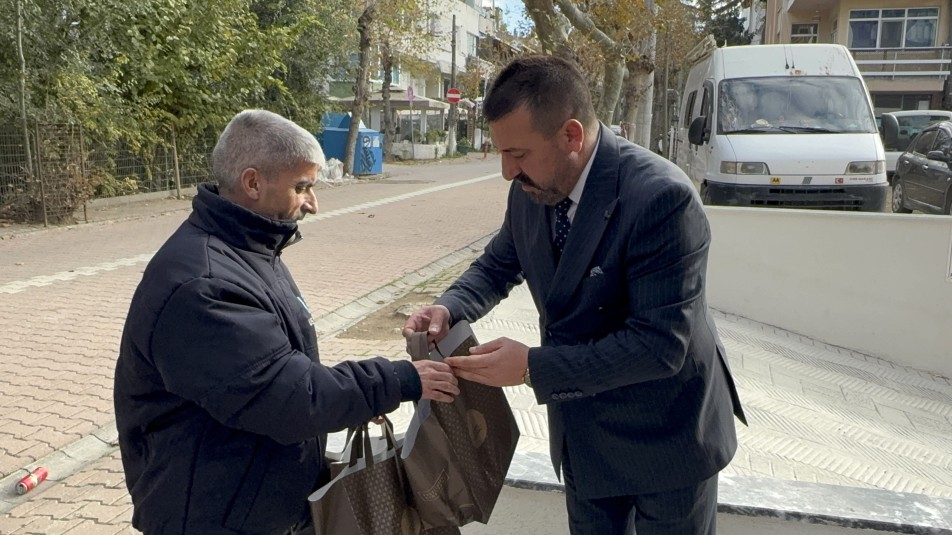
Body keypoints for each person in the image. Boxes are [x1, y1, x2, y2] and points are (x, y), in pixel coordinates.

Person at [403, 55, 746, 535]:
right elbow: (501, 262)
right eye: (501, 153)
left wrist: (530, 368)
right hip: (584, 433)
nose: (506, 172)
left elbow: (660, 345)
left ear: (571, 135)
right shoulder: (531, 187)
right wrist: (449, 306)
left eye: (518, 155)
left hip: (667, 433)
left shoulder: (662, 198)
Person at [113, 109, 459, 535]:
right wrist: (398, 380)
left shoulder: (249, 250)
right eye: (302, 187)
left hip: (250, 505)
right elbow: (292, 398)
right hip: (214, 516)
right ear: (253, 182)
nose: (313, 203)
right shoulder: (203, 284)